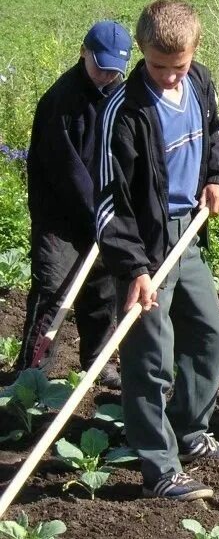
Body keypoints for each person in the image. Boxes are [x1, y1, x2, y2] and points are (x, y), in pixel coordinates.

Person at [95, 0, 219, 500]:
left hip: (189, 233)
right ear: (142, 51)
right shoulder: (125, 110)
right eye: (159, 67)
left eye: (177, 67)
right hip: (146, 246)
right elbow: (110, 202)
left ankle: (189, 431)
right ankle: (159, 468)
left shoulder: (198, 82)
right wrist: (134, 267)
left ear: (193, 53)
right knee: (151, 359)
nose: (169, 78)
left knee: (210, 337)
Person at [18, 21, 132, 389]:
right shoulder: (61, 103)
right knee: (54, 289)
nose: (106, 76)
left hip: (102, 213)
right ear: (84, 52)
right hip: (62, 217)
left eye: (115, 70)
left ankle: (97, 363)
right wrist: (98, 216)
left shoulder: (122, 96)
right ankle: (32, 372)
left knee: (101, 289)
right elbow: (70, 174)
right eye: (100, 66)